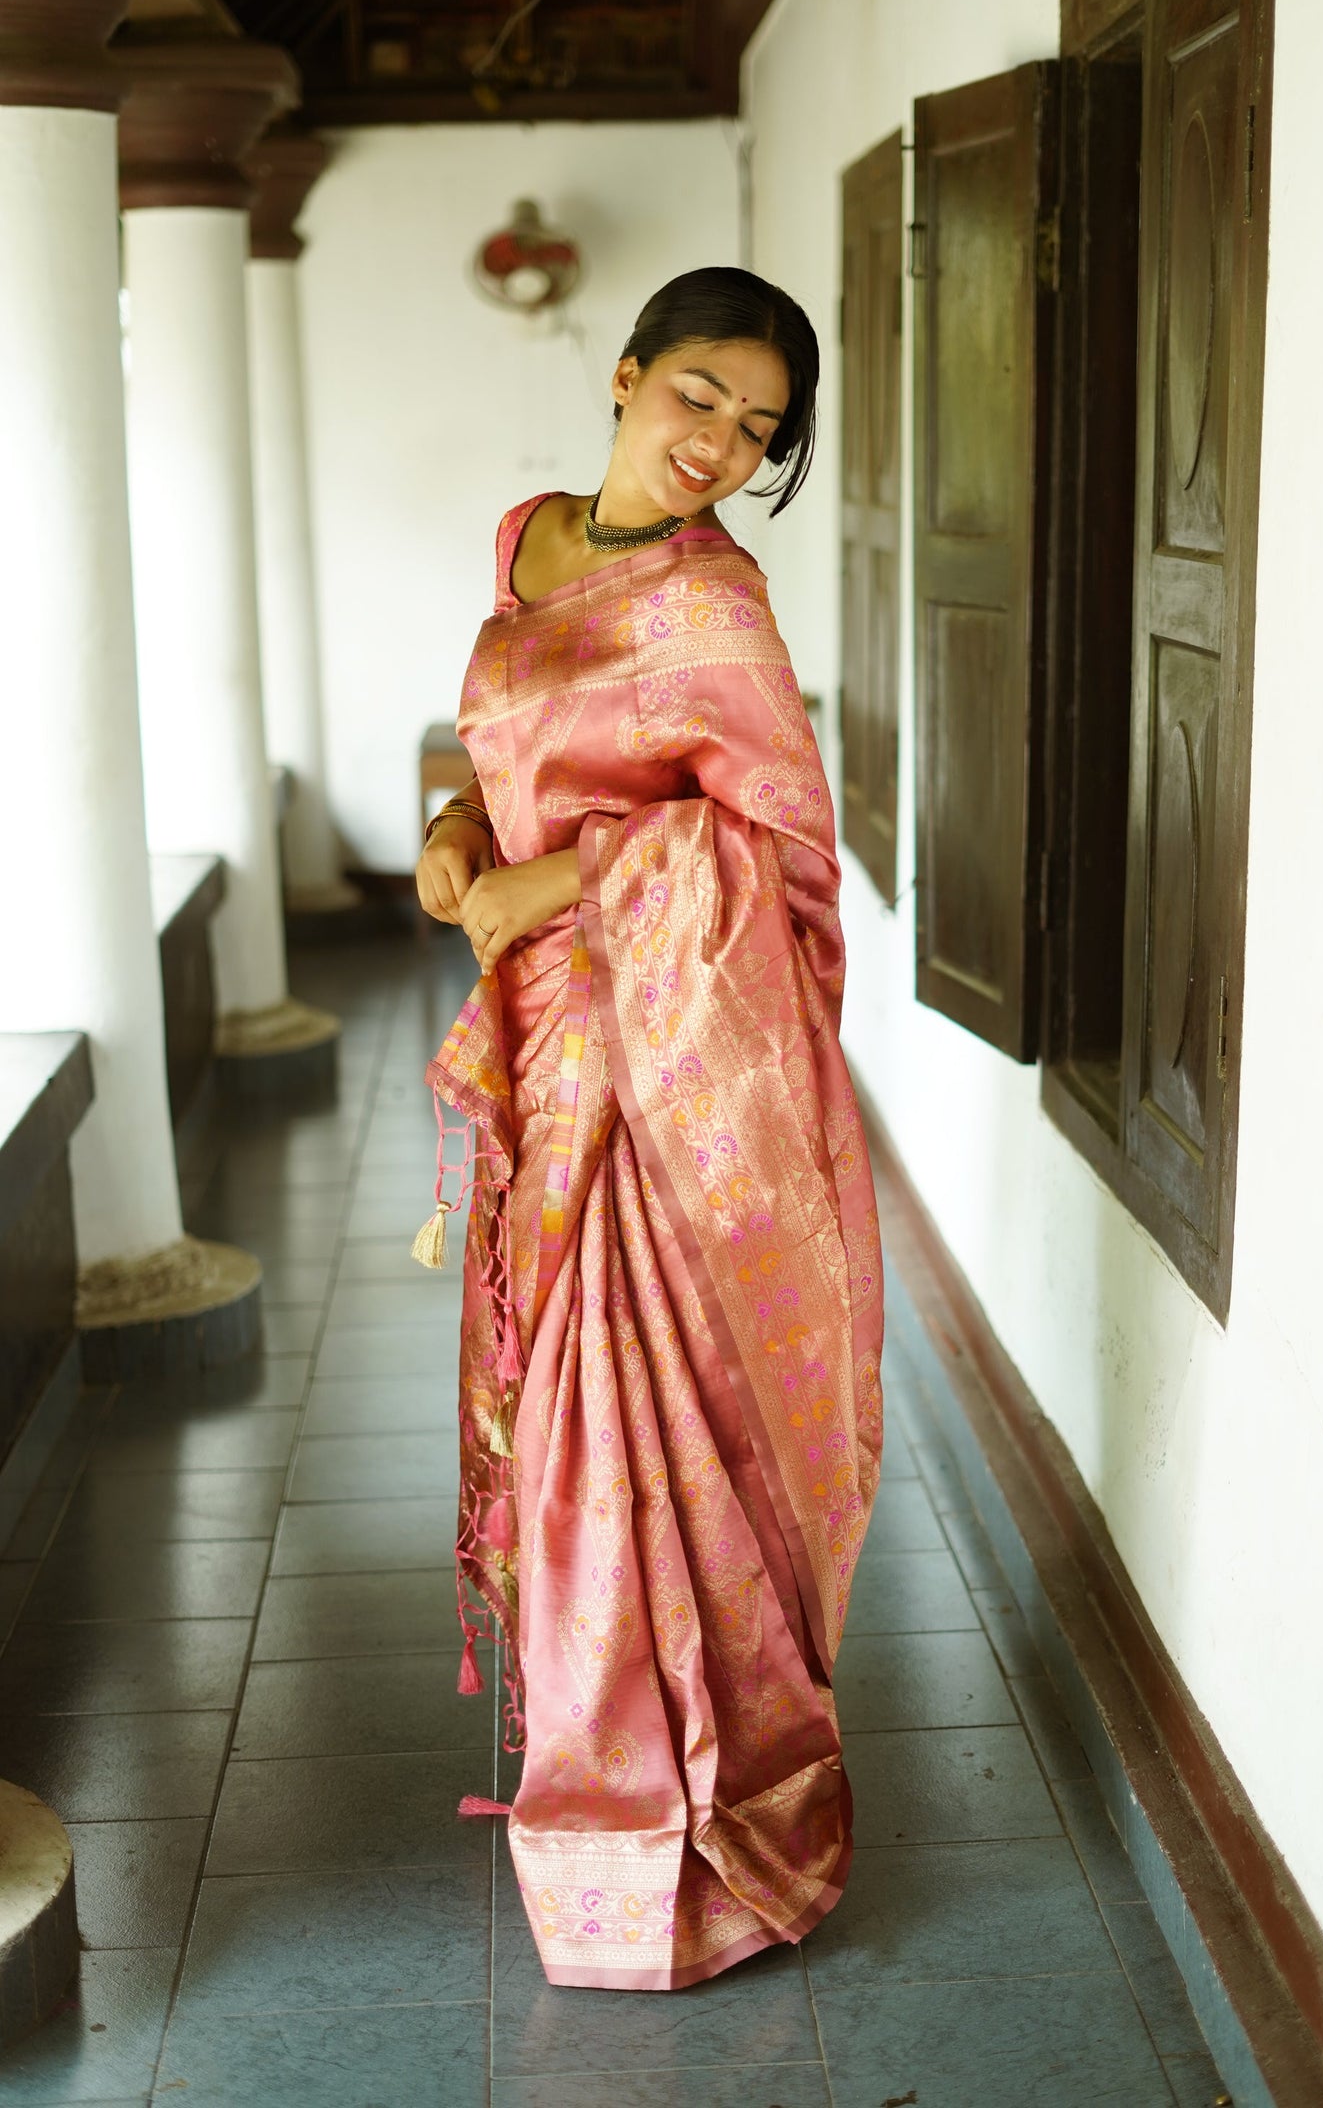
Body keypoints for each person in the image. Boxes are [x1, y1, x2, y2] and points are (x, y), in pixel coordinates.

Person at [413, 265, 885, 1992]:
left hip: (661, 1078)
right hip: (544, 1048)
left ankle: (699, 1837)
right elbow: (525, 738)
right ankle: (607, 1802)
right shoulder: (530, 540)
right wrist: (461, 830)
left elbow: (782, 862)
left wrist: (567, 874)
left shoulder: (719, 609)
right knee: (559, 1438)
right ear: (623, 376)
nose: (719, 444)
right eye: (699, 395)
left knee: (632, 1451)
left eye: (757, 429)